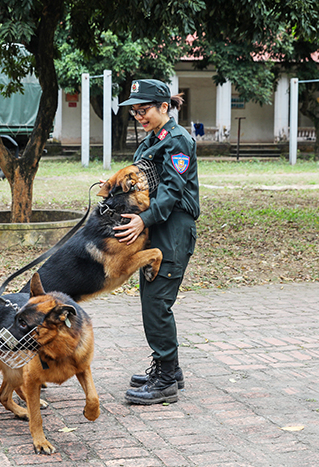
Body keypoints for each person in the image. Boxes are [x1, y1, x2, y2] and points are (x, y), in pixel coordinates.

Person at [115, 79, 199, 405]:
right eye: (135, 111)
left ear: (164, 107)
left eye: (144, 109)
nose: (139, 115)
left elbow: (171, 193)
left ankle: (165, 381)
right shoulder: (154, 139)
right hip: (158, 228)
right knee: (151, 296)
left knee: (156, 302)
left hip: (172, 229)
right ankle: (170, 370)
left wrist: (143, 221)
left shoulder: (178, 141)